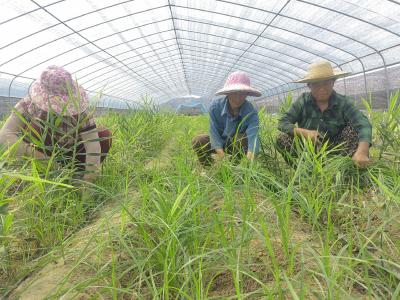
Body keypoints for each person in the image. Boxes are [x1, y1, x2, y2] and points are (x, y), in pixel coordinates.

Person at [0, 65, 112, 182]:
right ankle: (38, 174)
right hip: (39, 151)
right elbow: (3, 136)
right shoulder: (29, 104)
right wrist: (39, 157)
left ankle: (76, 175)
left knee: (104, 134)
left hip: (71, 154)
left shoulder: (80, 111)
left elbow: (92, 146)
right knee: (32, 127)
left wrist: (88, 181)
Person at [277, 60, 372, 168]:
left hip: (337, 149)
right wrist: (304, 132)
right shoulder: (303, 101)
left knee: (353, 131)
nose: (322, 88)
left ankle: (346, 171)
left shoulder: (343, 103)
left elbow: (363, 124)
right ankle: (303, 172)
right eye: (316, 84)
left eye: (326, 83)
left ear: (333, 82)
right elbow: (282, 122)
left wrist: (362, 152)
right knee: (283, 138)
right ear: (309, 86)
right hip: (308, 150)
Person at [192, 71, 261, 166]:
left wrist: (249, 162)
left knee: (241, 138)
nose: (238, 98)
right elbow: (214, 134)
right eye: (234, 93)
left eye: (242, 93)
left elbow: (253, 139)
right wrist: (222, 157)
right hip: (219, 142)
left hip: (235, 145)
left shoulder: (251, 112)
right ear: (227, 93)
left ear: (247, 94)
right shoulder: (215, 107)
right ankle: (209, 168)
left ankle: (236, 167)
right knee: (199, 140)